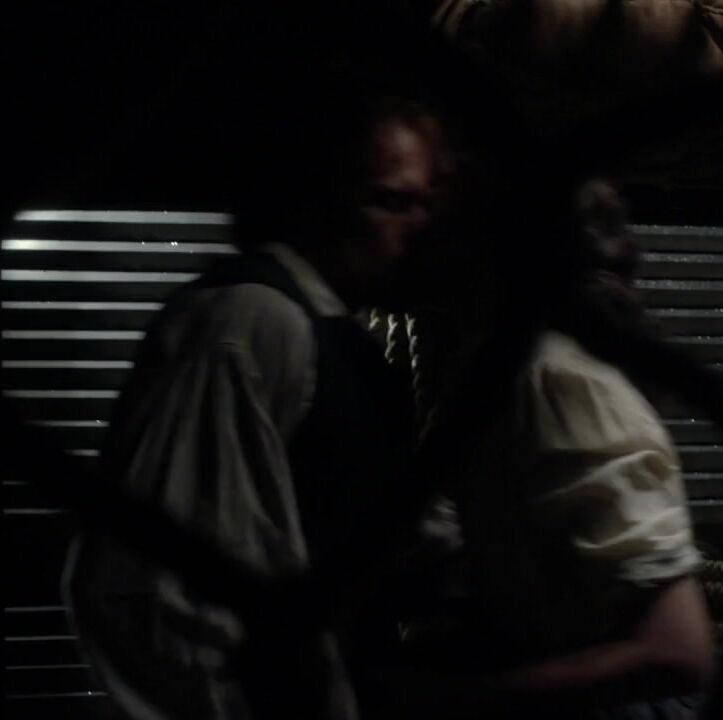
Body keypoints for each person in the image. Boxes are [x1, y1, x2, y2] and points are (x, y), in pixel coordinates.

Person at [62, 87, 457, 720]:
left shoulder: (346, 343)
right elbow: (157, 592)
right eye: (391, 202)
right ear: (316, 203)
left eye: (429, 205)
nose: (421, 230)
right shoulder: (251, 324)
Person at [384, 179, 715, 719]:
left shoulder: (553, 378)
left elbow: (676, 651)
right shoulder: (492, 377)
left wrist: (440, 698)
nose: (417, 229)